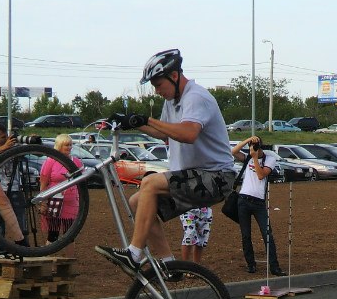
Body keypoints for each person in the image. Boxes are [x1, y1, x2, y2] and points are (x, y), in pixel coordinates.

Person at [96, 50, 237, 276]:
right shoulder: (172, 101)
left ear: (174, 76)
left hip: (217, 177)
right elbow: (164, 133)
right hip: (196, 175)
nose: (157, 91)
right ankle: (170, 265)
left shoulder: (196, 97)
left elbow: (188, 134)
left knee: (150, 183)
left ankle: (133, 253)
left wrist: (147, 119)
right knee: (137, 201)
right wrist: (132, 122)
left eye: (158, 84)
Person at [229, 135, 286, 275]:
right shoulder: (248, 157)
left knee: (267, 234)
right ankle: (251, 264)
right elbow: (233, 152)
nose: (253, 149)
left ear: (261, 147)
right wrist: (247, 140)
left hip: (259, 203)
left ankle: (274, 266)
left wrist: (255, 158)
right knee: (245, 235)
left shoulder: (269, 159)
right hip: (243, 200)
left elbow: (261, 175)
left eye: (256, 146)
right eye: (252, 146)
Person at [40, 133, 84, 243]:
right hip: (54, 201)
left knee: (69, 234)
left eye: (70, 145)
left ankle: (69, 253)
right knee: (53, 233)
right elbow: (43, 182)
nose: (69, 147)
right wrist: (43, 202)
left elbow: (82, 182)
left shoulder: (76, 162)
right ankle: (49, 251)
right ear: (59, 146)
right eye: (66, 145)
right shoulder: (50, 161)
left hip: (71, 202)